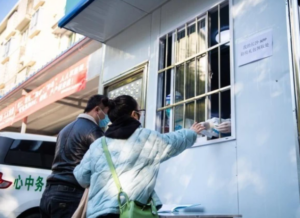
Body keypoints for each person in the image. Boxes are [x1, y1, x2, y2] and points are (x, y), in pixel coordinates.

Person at [73, 95, 205, 218]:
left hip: (98, 214)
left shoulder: (98, 144)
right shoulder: (147, 138)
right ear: (134, 114)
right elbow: (173, 142)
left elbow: (81, 177)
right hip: (132, 212)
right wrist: (191, 132)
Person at [40, 94, 110, 218]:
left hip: (49, 192)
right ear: (97, 109)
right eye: (106, 113)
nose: (106, 118)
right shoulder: (94, 131)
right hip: (70, 194)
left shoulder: (64, 130)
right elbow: (102, 161)